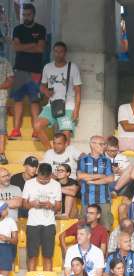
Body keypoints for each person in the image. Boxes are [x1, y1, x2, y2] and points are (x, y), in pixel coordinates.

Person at [8, 3, 46, 140]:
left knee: (34, 101)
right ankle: (16, 131)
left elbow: (40, 49)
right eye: (24, 15)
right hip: (19, 70)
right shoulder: (18, 29)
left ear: (34, 15)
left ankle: (36, 131)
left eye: (28, 15)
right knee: (18, 100)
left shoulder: (40, 29)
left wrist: (23, 46)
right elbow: (16, 48)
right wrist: (32, 44)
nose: (25, 17)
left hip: (35, 71)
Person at [35, 41, 82, 149]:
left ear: (65, 53)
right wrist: (46, 92)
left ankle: (63, 160)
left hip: (68, 106)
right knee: (37, 126)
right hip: (51, 105)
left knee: (66, 136)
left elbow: (78, 91)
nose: (58, 54)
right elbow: (42, 86)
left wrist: (76, 110)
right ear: (53, 52)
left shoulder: (73, 67)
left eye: (61, 52)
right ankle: (50, 151)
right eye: (56, 51)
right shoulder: (47, 67)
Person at [22, 162, 61, 271]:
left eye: (46, 180)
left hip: (49, 224)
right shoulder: (29, 183)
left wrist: (51, 205)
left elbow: (58, 207)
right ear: (37, 173)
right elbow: (24, 204)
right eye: (40, 179)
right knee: (31, 255)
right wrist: (32, 204)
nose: (43, 181)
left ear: (50, 175)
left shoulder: (56, 184)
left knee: (48, 256)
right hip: (32, 224)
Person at [77, 135, 114, 230]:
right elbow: (80, 176)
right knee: (84, 228)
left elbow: (110, 178)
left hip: (104, 199)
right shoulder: (83, 160)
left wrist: (92, 182)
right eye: (101, 144)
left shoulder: (107, 160)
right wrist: (100, 176)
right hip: (87, 199)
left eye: (105, 144)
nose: (104, 147)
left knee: (105, 228)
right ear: (92, 145)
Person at [0, 50, 12, 164]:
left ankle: (1, 154)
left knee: (1, 129)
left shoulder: (5, 62)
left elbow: (10, 82)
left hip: (1, 101)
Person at [0, 201, 17, 276]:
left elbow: (15, 241)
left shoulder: (11, 221)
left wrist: (7, 239)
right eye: (4, 209)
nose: (7, 210)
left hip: (6, 249)